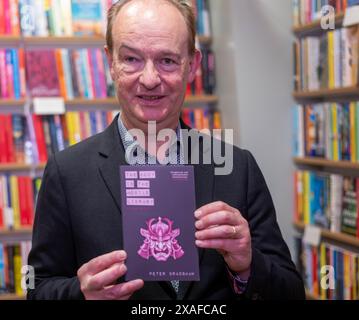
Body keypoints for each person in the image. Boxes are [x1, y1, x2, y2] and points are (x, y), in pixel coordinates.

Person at [27, 0, 305, 300]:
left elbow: (291, 292)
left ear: (193, 65)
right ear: (110, 62)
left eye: (167, 61)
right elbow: (37, 287)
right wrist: (80, 293)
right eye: (132, 59)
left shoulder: (238, 168)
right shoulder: (67, 172)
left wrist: (248, 265)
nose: (149, 79)